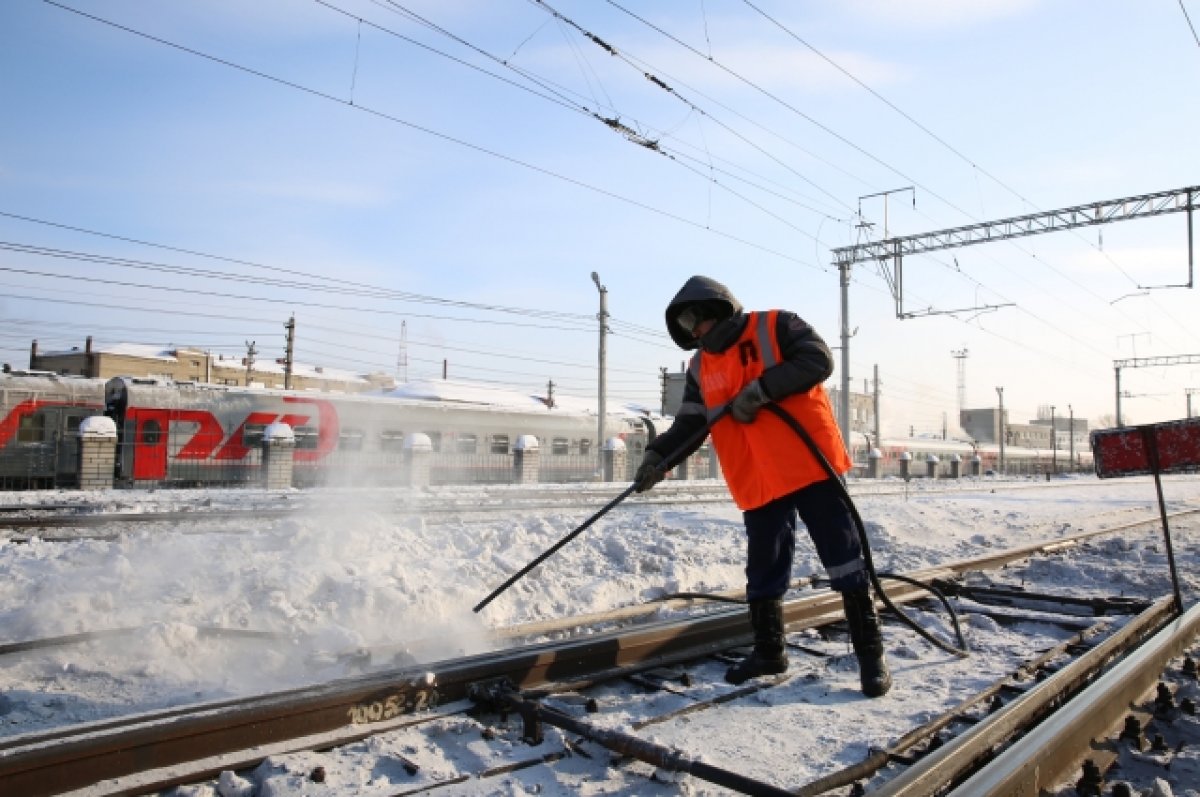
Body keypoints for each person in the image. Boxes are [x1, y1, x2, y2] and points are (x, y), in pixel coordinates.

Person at [634, 275, 891, 697]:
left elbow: (818, 360)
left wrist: (762, 391)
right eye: (687, 328)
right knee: (764, 566)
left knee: (843, 556)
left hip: (808, 463)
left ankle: (870, 655)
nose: (694, 332)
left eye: (696, 320)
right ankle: (769, 651)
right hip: (756, 474)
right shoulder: (701, 366)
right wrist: (657, 459)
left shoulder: (777, 327)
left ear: (716, 308)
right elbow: (692, 423)